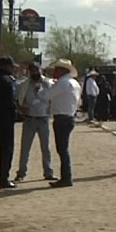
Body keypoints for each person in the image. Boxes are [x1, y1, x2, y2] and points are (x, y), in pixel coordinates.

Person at [37, 58, 82, 188]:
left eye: (57, 69)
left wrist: (38, 90)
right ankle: (66, 176)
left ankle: (66, 177)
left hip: (61, 118)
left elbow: (45, 96)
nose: (55, 72)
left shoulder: (61, 83)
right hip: (70, 116)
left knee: (62, 149)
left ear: (62, 70)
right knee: (64, 148)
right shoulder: (74, 83)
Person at [14, 61, 56, 183]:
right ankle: (21, 173)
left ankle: (48, 172)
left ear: (40, 70)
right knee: (25, 147)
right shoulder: (24, 84)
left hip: (43, 119)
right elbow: (17, 100)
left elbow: (52, 98)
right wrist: (21, 109)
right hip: (29, 119)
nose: (34, 72)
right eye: (31, 70)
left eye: (36, 70)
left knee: (46, 148)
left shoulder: (48, 83)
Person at [0, 56, 19, 189]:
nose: (13, 69)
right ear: (6, 67)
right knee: (6, 150)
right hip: (5, 120)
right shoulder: (7, 81)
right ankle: (3, 179)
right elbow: (10, 101)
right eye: (12, 67)